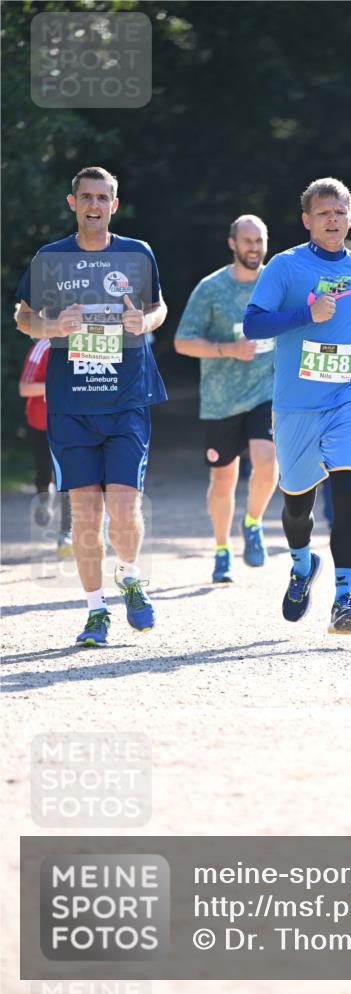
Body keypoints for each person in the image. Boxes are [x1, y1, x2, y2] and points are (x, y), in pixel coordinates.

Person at [15, 165, 168, 647]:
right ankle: (95, 611)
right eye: (87, 197)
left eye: (103, 198)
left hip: (126, 400)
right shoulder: (51, 258)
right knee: (85, 515)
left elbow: (159, 307)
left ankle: (129, 575)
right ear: (73, 203)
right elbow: (23, 317)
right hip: (70, 406)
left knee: (122, 508)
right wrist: (52, 327)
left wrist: (145, 322)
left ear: (114, 205)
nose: (95, 205)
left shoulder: (137, 253)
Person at [243, 177, 351, 634]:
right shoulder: (284, 267)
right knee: (297, 507)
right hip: (296, 407)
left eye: (340, 212)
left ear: (350, 218)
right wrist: (307, 314)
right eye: (324, 212)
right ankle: (303, 566)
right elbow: (252, 325)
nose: (333, 220)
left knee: (346, 491)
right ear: (307, 220)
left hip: (348, 397)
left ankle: (345, 599)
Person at [174, 215, 278, 582]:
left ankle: (253, 522)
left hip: (266, 390)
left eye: (259, 240)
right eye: (247, 241)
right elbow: (182, 342)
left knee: (268, 461)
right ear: (232, 243)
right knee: (223, 480)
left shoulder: (277, 282)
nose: (254, 247)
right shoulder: (211, 288)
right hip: (221, 399)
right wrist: (228, 349)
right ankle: (222, 550)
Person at [18, 339, 72, 557]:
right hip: (41, 422)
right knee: (44, 471)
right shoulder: (42, 347)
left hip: (71, 422)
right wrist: (53, 386)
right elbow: (24, 388)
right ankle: (44, 497)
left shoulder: (85, 344)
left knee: (70, 479)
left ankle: (66, 534)